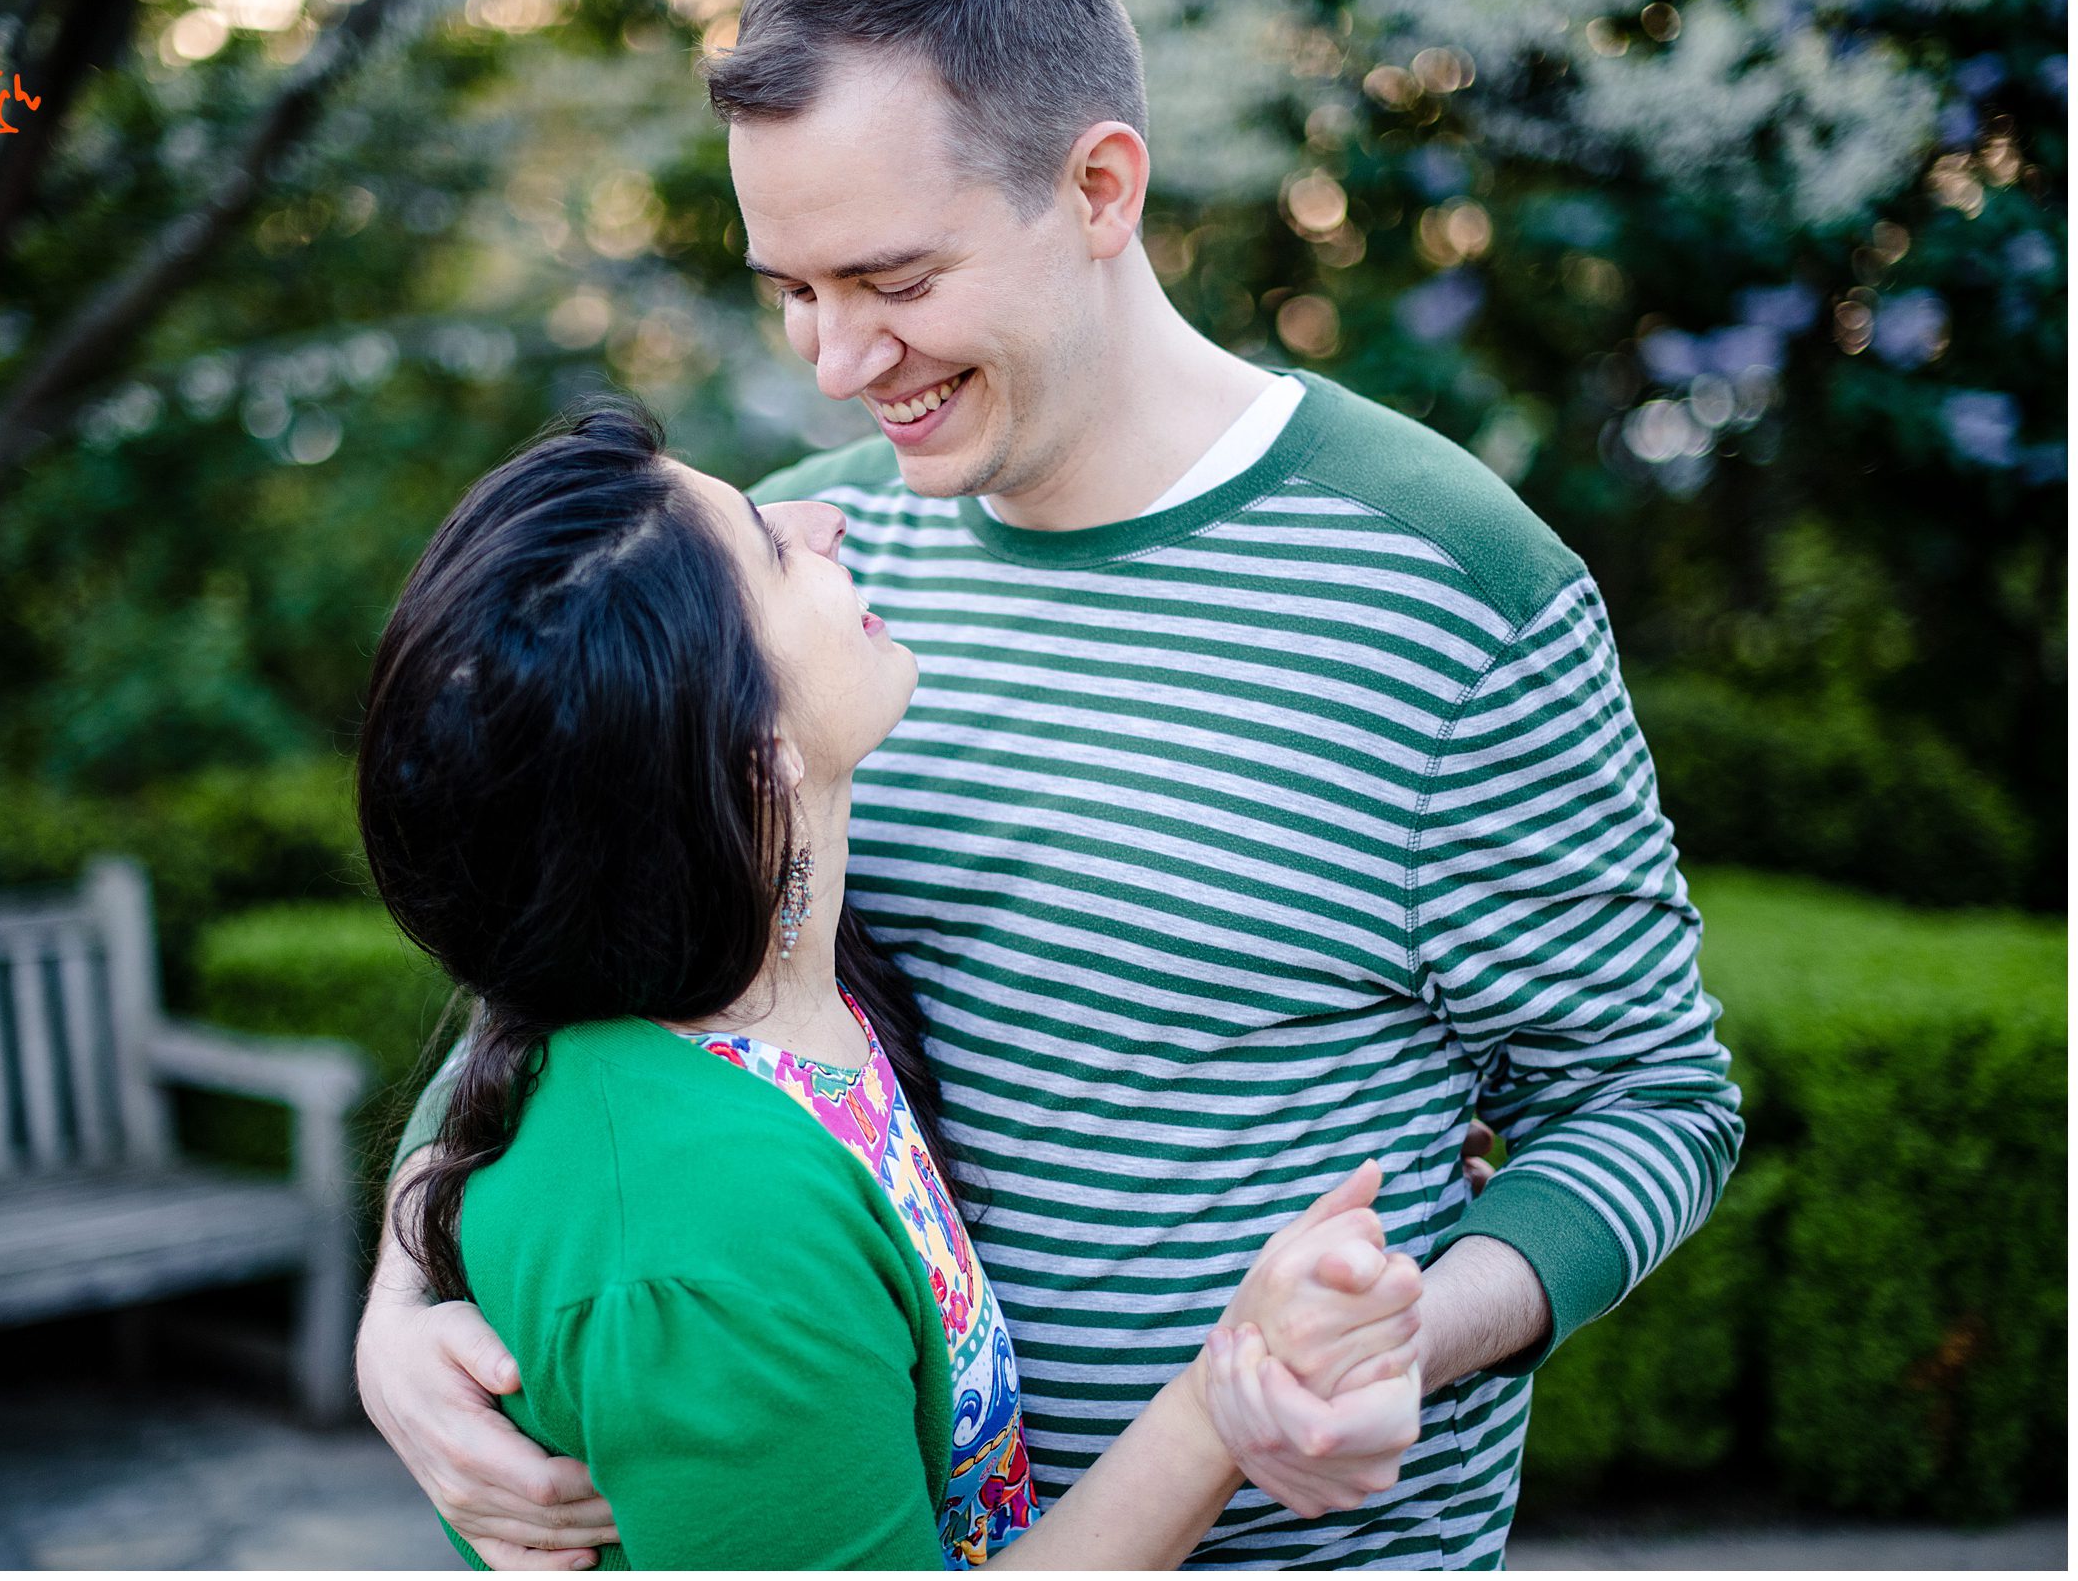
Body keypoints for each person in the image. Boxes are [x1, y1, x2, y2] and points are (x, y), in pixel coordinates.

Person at [360, 0, 1745, 1570]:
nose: (837, 360)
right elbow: (573, 953)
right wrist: (405, 1299)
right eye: (793, 289)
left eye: (895, 278)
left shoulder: (1447, 587)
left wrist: (1395, 1337)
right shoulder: (793, 576)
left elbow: (1647, 1097)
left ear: (1099, 186)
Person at [355, 399, 1432, 1568]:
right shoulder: (707, 1236)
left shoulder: (758, 996)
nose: (824, 516)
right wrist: (1226, 1396)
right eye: (772, 546)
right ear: (751, 751)